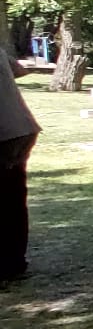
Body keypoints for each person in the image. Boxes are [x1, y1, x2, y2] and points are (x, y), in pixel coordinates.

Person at [0, 54, 40, 281]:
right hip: (20, 129)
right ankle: (13, 262)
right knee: (12, 198)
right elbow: (19, 70)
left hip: (3, 132)